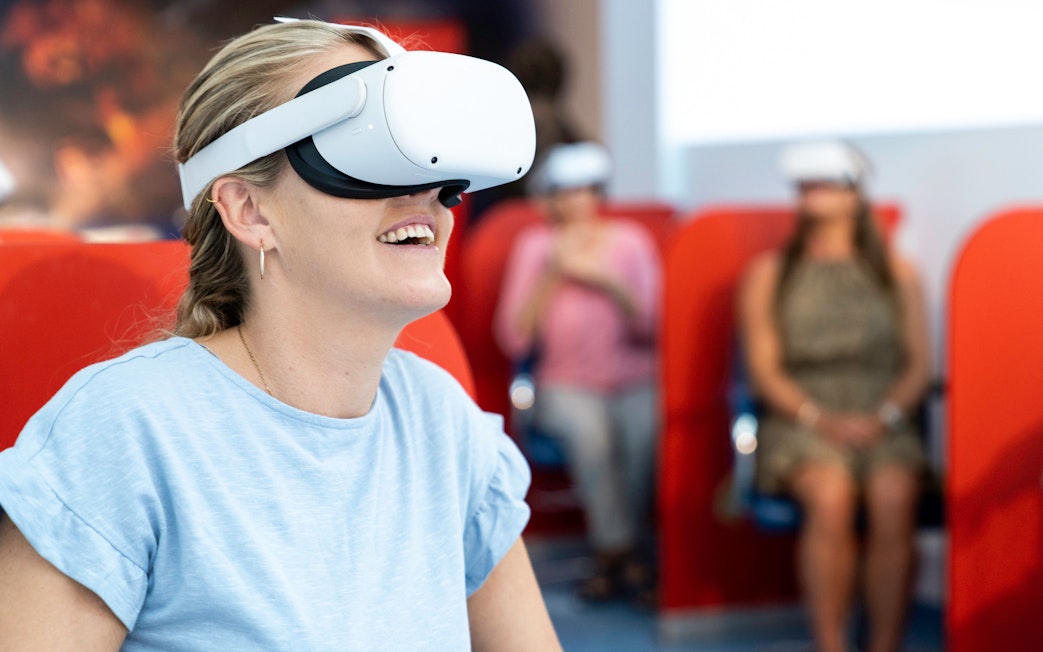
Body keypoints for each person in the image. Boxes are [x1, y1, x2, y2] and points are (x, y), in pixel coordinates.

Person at [0, 18, 561, 650]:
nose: (427, 191)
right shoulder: (123, 432)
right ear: (249, 209)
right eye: (370, 150)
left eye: (427, 158)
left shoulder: (444, 422)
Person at [738, 140, 930, 652]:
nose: (814, 195)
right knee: (830, 495)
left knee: (894, 497)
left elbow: (918, 365)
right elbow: (764, 369)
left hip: (883, 413)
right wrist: (820, 418)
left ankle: (885, 643)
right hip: (800, 416)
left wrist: (883, 417)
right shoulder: (770, 274)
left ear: (854, 194)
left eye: (827, 184)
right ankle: (831, 643)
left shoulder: (898, 273)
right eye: (806, 185)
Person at [494, 142, 661, 603]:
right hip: (565, 383)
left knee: (643, 435)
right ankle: (619, 554)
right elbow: (513, 336)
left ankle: (621, 554)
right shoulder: (535, 247)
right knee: (593, 439)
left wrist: (607, 281)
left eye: (585, 189)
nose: (574, 200)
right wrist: (552, 273)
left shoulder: (631, 241)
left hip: (635, 377)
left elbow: (652, 326)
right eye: (564, 191)